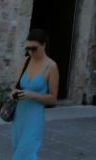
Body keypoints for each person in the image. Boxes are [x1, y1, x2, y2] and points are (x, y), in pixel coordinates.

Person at [10, 28, 59, 160]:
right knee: (17, 151)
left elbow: (53, 99)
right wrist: (15, 93)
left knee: (24, 155)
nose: (31, 52)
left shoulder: (51, 66)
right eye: (28, 48)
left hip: (34, 119)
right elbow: (15, 87)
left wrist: (32, 95)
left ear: (43, 45)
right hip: (19, 117)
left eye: (34, 48)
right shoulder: (26, 61)